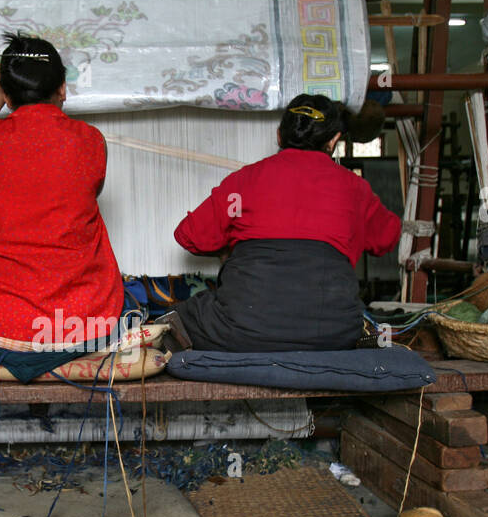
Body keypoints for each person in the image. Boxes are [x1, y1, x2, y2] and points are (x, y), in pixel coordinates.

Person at [0, 32, 125, 380]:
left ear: (5, 93)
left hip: (3, 322)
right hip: (83, 321)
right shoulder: (91, 140)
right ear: (62, 88)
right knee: (129, 302)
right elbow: (92, 189)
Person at [161, 93, 401, 352]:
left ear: (279, 135)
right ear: (333, 141)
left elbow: (189, 235)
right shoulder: (354, 188)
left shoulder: (245, 181)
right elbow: (387, 237)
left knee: (182, 316)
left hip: (241, 329)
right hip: (333, 333)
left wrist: (234, 240)